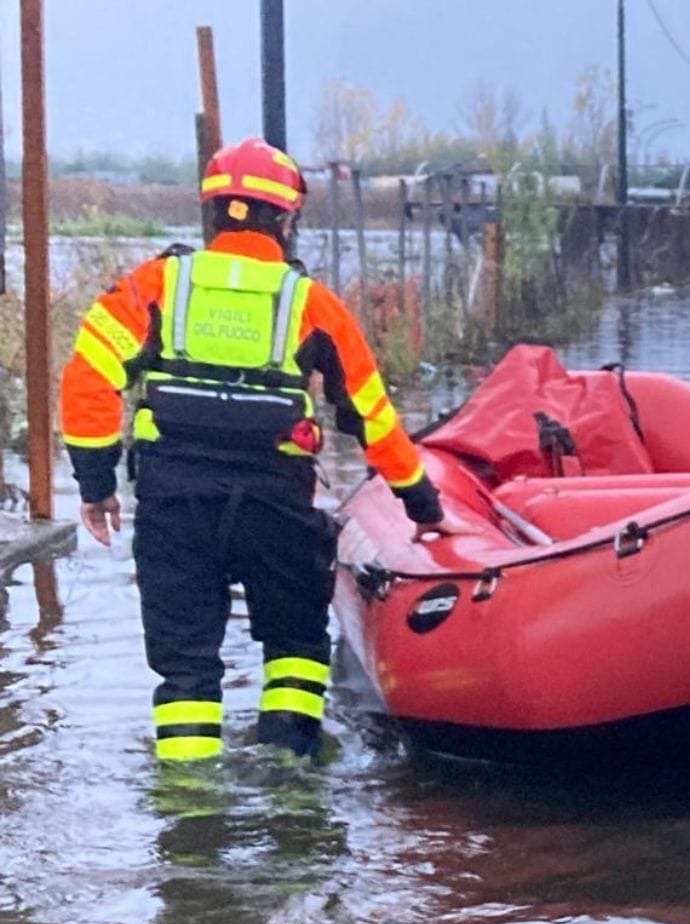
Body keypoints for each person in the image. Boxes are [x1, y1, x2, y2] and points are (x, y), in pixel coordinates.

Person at [59, 136, 455, 762]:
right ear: (287, 218)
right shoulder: (312, 304)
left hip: (175, 507)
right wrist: (422, 504)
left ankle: (189, 816)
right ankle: (292, 791)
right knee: (297, 647)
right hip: (276, 502)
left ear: (213, 213)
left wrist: (95, 485)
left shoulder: (155, 284)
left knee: (186, 671)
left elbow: (86, 380)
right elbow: (372, 417)